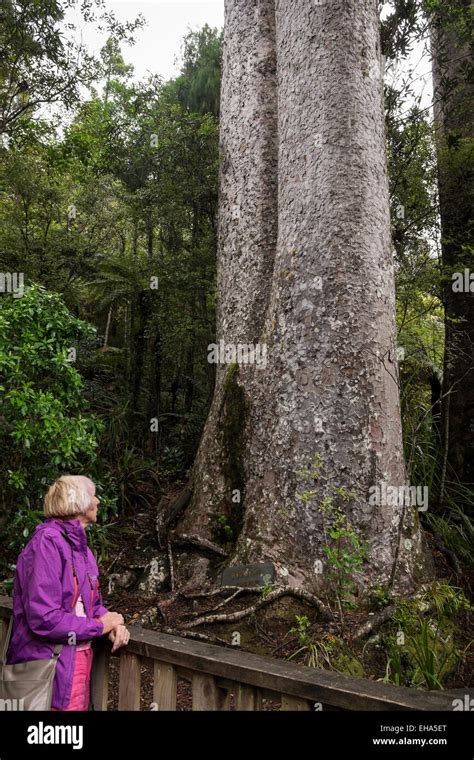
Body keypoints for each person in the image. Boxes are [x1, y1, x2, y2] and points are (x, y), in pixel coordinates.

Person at [6, 475, 130, 710]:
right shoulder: (46, 543)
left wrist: (112, 623)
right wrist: (99, 626)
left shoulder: (82, 550)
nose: (98, 501)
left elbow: (90, 606)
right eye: (93, 495)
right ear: (79, 502)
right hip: (44, 667)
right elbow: (44, 618)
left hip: (77, 663)